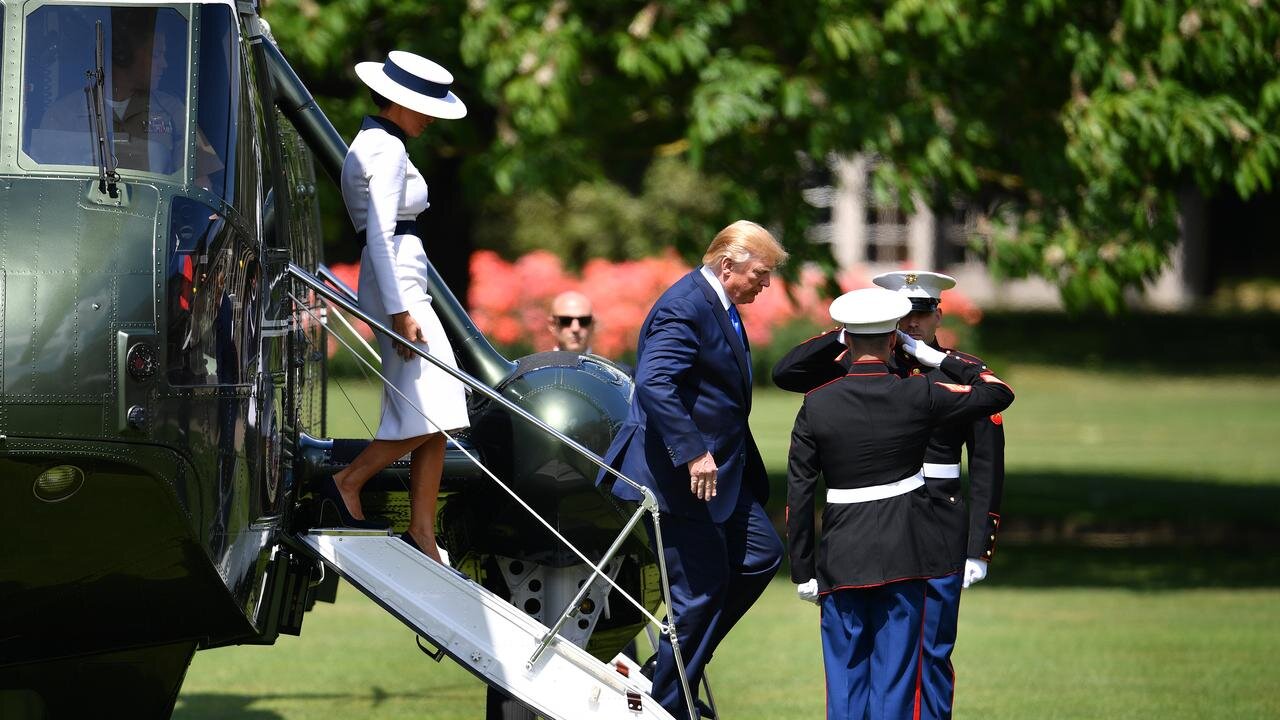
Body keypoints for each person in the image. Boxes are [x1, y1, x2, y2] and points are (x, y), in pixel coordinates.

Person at [773, 271, 1006, 719]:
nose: (912, 326)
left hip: (938, 519)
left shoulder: (941, 368)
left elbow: (985, 463)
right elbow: (787, 372)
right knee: (898, 658)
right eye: (903, 317)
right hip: (898, 529)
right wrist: (850, 334)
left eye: (920, 314)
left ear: (938, 314)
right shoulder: (879, 370)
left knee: (931, 651)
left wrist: (981, 544)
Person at [599, 220, 787, 720]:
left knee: (761, 556)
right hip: (680, 477)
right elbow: (656, 382)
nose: (766, 285)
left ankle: (673, 663)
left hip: (720, 475)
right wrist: (694, 452)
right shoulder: (685, 305)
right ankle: (665, 704)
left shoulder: (717, 302)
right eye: (762, 274)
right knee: (698, 594)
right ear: (728, 265)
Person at [323, 50, 471, 564]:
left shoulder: (381, 144)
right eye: (425, 105)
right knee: (438, 404)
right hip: (398, 285)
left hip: (402, 280)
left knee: (440, 409)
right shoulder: (382, 149)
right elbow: (383, 237)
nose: (431, 115)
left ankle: (422, 530)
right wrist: (400, 308)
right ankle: (349, 480)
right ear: (399, 102)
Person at [38, 7, 221, 183]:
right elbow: (44, 187)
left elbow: (201, 182)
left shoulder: (174, 111)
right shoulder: (62, 115)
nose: (164, 64)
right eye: (156, 55)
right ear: (123, 55)